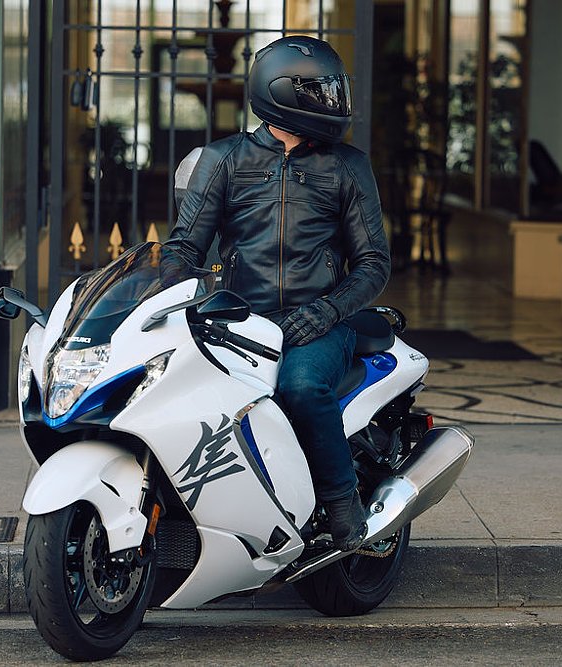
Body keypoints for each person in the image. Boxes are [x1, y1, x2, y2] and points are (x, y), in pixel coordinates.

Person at [162, 35, 390, 552]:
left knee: (301, 387)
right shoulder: (223, 159)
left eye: (333, 90)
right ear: (279, 92)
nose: (332, 102)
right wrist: (165, 297)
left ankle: (342, 500)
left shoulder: (347, 166)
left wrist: (328, 311)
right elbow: (183, 248)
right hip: (240, 322)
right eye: (319, 92)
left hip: (321, 322)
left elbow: (374, 263)